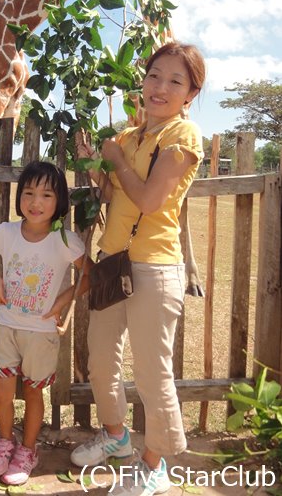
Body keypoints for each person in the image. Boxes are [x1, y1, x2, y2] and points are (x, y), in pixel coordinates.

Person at [71, 41, 206, 496]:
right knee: (101, 362)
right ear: (142, 80)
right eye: (154, 75)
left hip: (154, 268)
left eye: (175, 81)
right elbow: (115, 196)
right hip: (113, 263)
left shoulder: (183, 137)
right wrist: (95, 164)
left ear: (190, 94)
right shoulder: (131, 137)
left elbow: (150, 199)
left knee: (151, 373)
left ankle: (154, 464)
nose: (160, 87)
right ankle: (116, 437)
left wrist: (113, 160)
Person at [0, 160, 92, 486]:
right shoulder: (5, 232)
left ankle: (27, 450)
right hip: (7, 328)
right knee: (2, 396)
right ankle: (5, 442)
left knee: (34, 395)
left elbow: (88, 276)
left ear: (60, 202)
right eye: (28, 192)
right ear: (19, 197)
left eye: (46, 195)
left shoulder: (65, 240)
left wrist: (61, 303)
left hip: (41, 335)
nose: (35, 202)